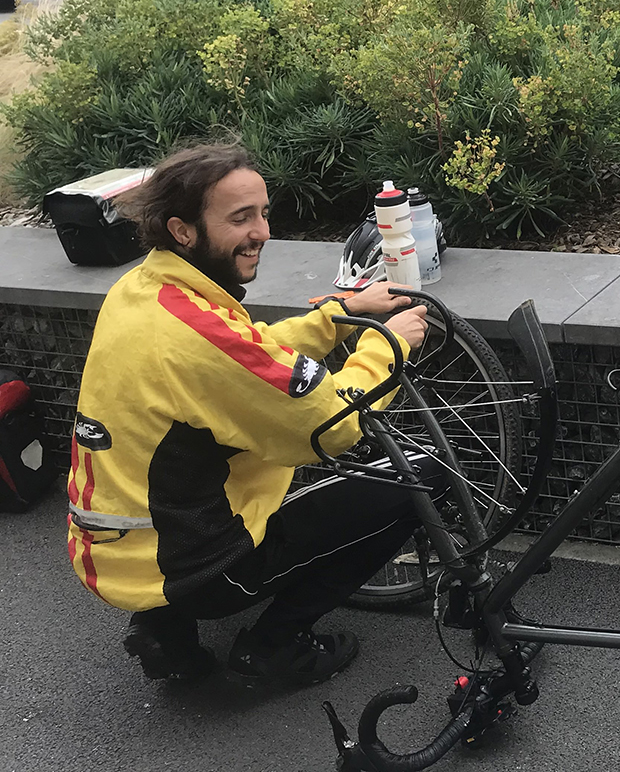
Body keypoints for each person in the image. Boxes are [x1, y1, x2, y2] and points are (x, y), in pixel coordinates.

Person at [66, 142, 434, 685]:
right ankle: (275, 646)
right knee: (417, 485)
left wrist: (338, 314)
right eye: (241, 218)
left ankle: (165, 633)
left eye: (263, 213)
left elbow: (244, 352)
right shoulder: (193, 333)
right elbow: (329, 424)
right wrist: (388, 347)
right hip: (198, 567)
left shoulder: (143, 291)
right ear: (183, 230)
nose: (262, 231)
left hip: (111, 550)